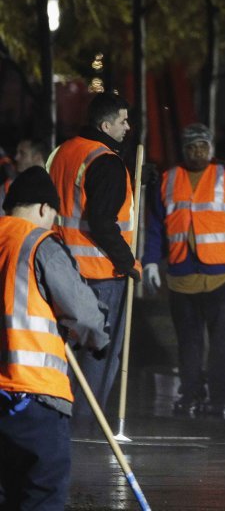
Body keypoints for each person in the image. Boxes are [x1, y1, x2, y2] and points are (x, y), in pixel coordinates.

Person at [142, 124, 225, 419]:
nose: (197, 152)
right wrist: (149, 260)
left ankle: (222, 396)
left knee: (223, 342)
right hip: (182, 275)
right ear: (183, 151)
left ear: (211, 149)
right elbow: (157, 226)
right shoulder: (168, 179)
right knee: (188, 342)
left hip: (222, 274)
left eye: (202, 147)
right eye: (191, 147)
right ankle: (190, 393)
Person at [0, 166, 108, 510]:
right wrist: (96, 341)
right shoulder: (38, 244)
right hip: (32, 398)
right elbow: (85, 315)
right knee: (41, 496)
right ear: (45, 209)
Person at [47, 92, 140, 428]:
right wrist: (129, 261)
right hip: (100, 273)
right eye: (123, 120)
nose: (129, 127)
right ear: (105, 124)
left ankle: (54, 416)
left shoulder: (63, 153)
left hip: (59, 269)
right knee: (99, 353)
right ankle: (86, 424)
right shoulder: (106, 162)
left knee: (63, 351)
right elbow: (102, 222)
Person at [0, 137, 50, 216]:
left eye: (22, 153)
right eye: (17, 153)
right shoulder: (9, 185)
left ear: (38, 158)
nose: (16, 158)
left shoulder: (56, 185)